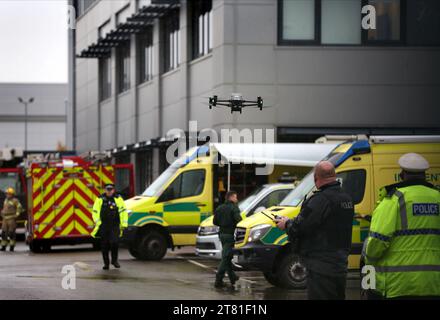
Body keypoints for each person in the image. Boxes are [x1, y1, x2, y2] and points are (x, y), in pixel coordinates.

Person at [364, 153, 440, 299]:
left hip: (399, 284)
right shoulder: (437, 197)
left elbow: (377, 242)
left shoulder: (394, 200)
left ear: (402, 174)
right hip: (434, 283)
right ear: (425, 175)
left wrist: (369, 260)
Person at [276, 161, 354, 300]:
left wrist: (286, 223)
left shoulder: (320, 199)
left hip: (321, 266)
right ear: (334, 176)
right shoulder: (346, 198)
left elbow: (300, 227)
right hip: (339, 263)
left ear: (316, 178)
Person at [92, 184, 128, 270]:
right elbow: (95, 211)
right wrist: (97, 222)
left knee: (114, 242)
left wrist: (124, 224)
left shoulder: (118, 198)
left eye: (111, 189)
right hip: (104, 225)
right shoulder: (100, 199)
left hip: (114, 225)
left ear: (113, 190)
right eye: (107, 189)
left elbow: (123, 211)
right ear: (105, 190)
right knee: (105, 245)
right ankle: (106, 263)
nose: (109, 191)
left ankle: (114, 261)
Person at [213, 190, 242, 288]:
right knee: (225, 257)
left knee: (228, 256)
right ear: (232, 197)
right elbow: (239, 220)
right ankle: (218, 279)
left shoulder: (219, 208)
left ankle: (232, 277)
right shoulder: (234, 208)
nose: (237, 199)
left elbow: (215, 221)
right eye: (236, 197)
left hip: (221, 235)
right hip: (230, 235)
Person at [1, 187, 23, 252]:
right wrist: (2, 213)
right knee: (3, 233)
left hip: (11, 218)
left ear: (12, 194)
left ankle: (12, 246)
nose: (7, 195)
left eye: (8, 194)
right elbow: (5, 208)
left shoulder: (15, 201)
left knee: (11, 233)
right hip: (5, 218)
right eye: (6, 194)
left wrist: (17, 214)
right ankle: (3, 246)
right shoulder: (5, 200)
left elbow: (19, 207)